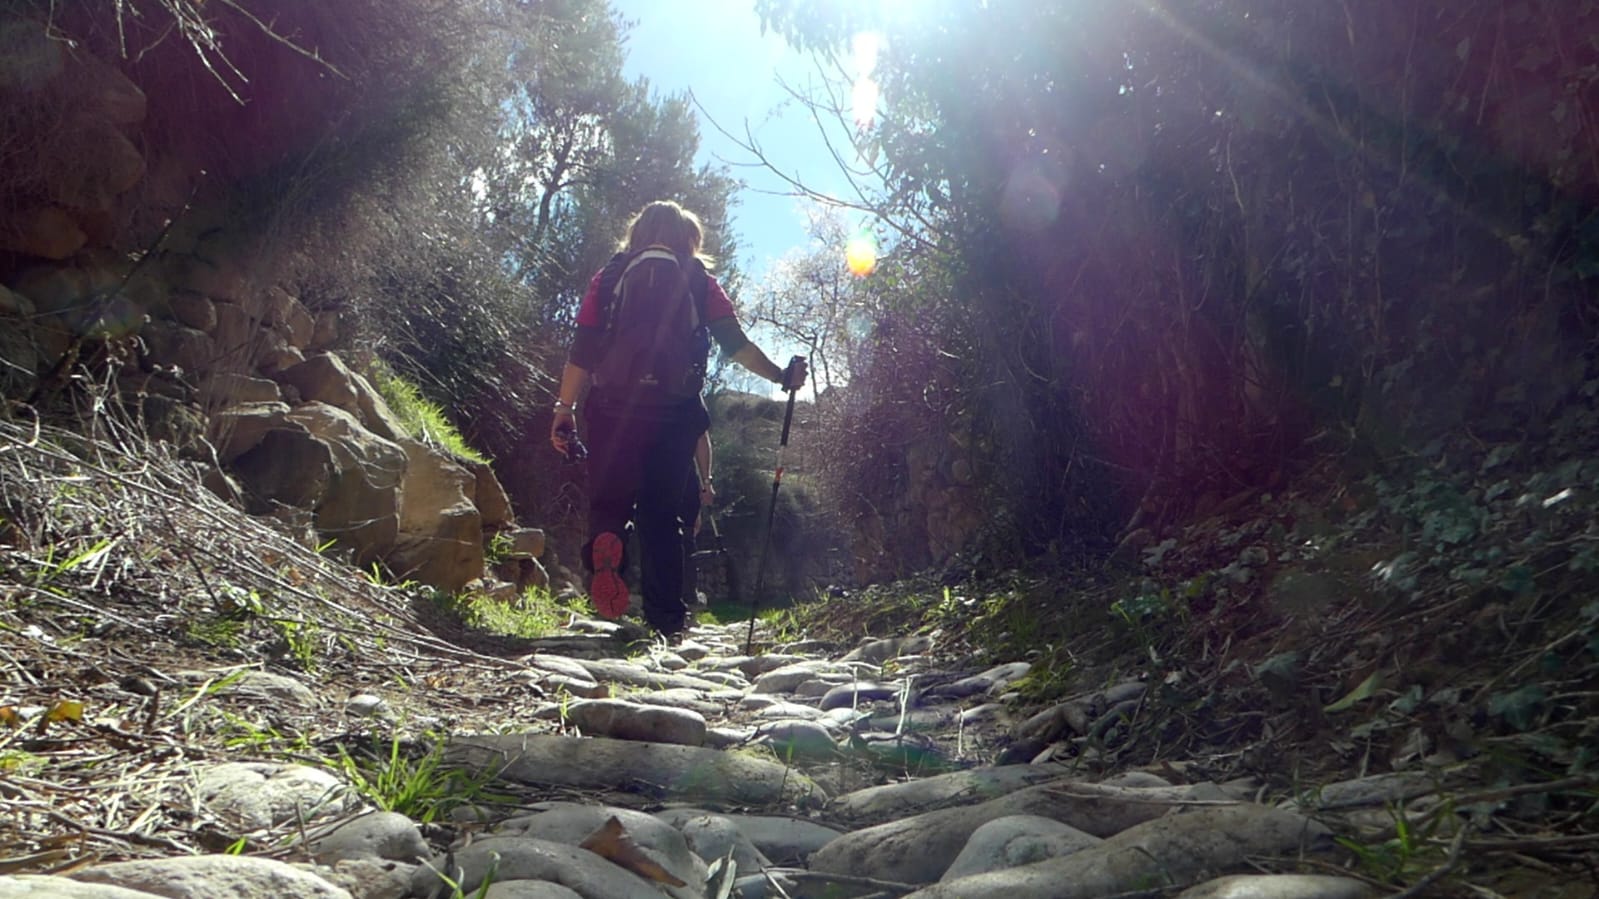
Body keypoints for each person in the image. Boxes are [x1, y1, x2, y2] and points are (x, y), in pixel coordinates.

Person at [550, 200, 806, 640]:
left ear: (637, 232)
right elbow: (735, 345)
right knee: (661, 514)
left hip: (612, 408)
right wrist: (781, 375)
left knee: (608, 502)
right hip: (674, 413)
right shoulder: (699, 280)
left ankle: (608, 544)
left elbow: (583, 349)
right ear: (688, 238)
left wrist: (564, 409)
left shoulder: (610, 276)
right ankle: (666, 618)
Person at [679, 430, 715, 607]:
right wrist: (707, 483)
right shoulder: (689, 401)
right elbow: (700, 436)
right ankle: (687, 595)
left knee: (656, 531)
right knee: (688, 530)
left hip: (649, 472)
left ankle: (658, 600)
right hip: (682, 473)